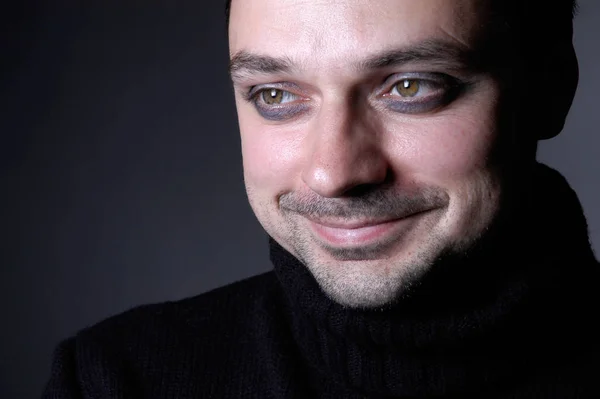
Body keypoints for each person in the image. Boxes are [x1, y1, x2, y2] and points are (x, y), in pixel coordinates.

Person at [43, 0, 599, 397]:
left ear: (552, 86)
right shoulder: (117, 379)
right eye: (276, 94)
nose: (333, 173)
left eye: (410, 86)